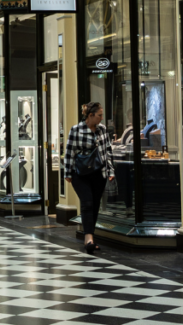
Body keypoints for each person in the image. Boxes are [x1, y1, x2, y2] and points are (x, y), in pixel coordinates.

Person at [63, 102, 114, 254]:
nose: (101, 118)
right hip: (80, 174)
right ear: (90, 115)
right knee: (87, 203)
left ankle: (91, 236)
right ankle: (88, 238)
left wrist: (111, 171)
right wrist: (67, 173)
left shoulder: (102, 130)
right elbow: (69, 152)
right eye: (99, 115)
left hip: (99, 174)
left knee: (95, 204)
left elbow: (108, 152)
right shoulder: (76, 130)